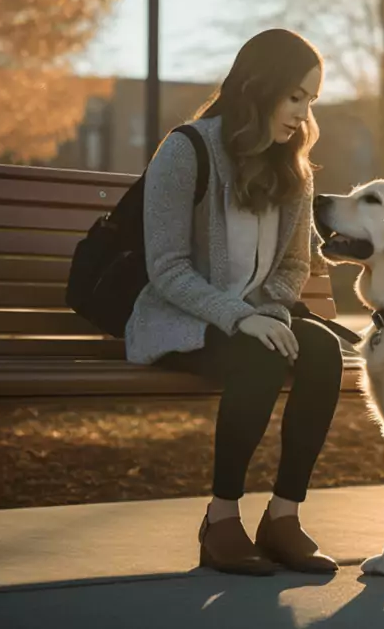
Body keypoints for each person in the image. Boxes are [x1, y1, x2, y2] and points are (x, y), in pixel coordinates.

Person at [124, 29, 344, 576]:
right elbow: (167, 268)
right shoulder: (186, 150)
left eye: (311, 101)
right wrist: (239, 317)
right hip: (185, 319)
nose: (303, 114)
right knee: (261, 356)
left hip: (256, 321)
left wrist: (267, 310)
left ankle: (283, 518)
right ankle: (221, 520)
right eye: (295, 97)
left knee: (323, 352)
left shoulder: (295, 167)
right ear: (258, 85)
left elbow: (296, 264)